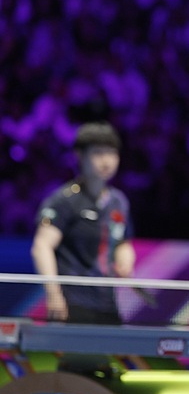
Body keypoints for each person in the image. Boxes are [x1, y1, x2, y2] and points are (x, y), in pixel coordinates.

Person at [31, 121, 135, 325]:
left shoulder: (119, 201)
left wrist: (126, 259)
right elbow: (41, 246)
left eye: (111, 153)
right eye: (98, 153)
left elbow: (123, 241)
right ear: (80, 156)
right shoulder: (64, 200)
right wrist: (53, 293)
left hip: (108, 303)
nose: (106, 161)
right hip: (72, 302)